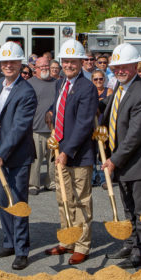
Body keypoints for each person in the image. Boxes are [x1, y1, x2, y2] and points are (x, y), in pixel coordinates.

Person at [0, 41, 37, 270]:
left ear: (20, 63)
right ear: (0, 64)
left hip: (17, 155)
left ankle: (22, 250)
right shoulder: (2, 84)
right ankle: (9, 242)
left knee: (18, 202)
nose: (8, 65)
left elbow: (19, 128)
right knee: (3, 200)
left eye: (13, 62)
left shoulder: (26, 91)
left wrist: (1, 153)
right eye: (5, 62)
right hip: (0, 151)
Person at [101, 43, 141, 269]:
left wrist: (114, 160)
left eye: (124, 67)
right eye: (116, 68)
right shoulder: (121, 87)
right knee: (128, 208)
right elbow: (111, 111)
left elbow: (135, 136)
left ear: (136, 66)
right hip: (124, 162)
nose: (119, 71)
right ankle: (131, 244)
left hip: (140, 163)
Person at [43, 39, 99, 265]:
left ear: (81, 62)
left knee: (81, 199)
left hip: (78, 154)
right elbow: (61, 110)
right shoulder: (60, 84)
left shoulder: (87, 88)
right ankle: (68, 239)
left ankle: (82, 245)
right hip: (60, 153)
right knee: (63, 198)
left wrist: (67, 151)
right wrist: (50, 113)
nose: (68, 65)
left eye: (72, 61)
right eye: (65, 61)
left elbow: (84, 124)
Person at [27, 56, 57, 194]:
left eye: (47, 66)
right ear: (35, 69)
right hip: (36, 128)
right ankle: (33, 184)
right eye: (41, 66)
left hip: (54, 130)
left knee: (52, 159)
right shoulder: (29, 84)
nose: (45, 68)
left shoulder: (58, 83)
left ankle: (51, 182)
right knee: (36, 159)